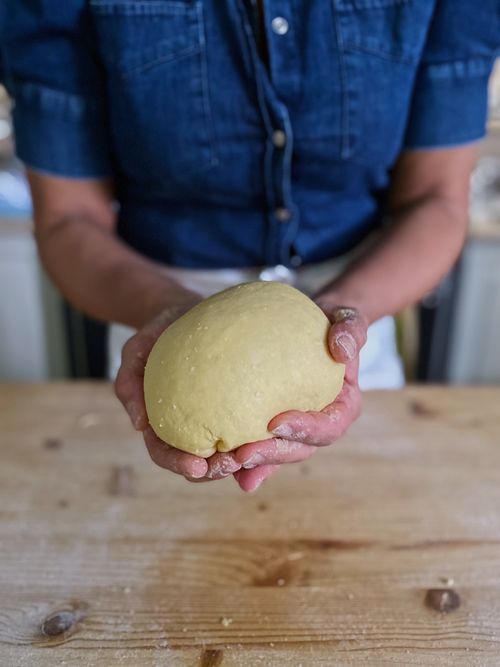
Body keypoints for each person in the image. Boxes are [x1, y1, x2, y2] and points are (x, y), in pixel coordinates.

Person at [1, 1, 497, 491]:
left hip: (356, 323)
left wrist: (347, 314)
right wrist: (164, 308)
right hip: (155, 321)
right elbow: (69, 219)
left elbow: (437, 201)